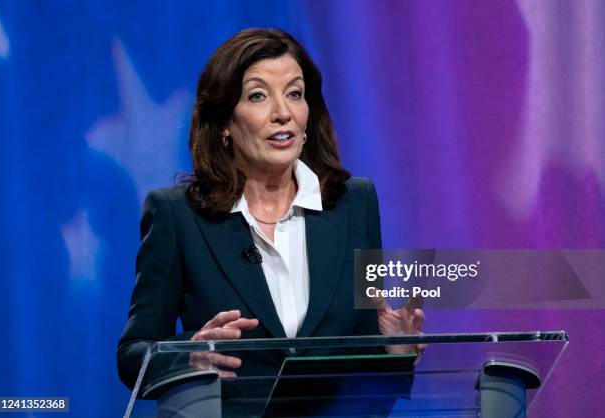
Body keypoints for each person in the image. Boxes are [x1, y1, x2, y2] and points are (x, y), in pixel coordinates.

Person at [117, 27, 424, 402]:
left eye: (295, 94)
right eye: (258, 96)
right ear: (225, 123)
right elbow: (132, 356)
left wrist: (395, 352)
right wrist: (187, 354)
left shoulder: (354, 204)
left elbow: (360, 349)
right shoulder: (177, 215)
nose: (283, 114)